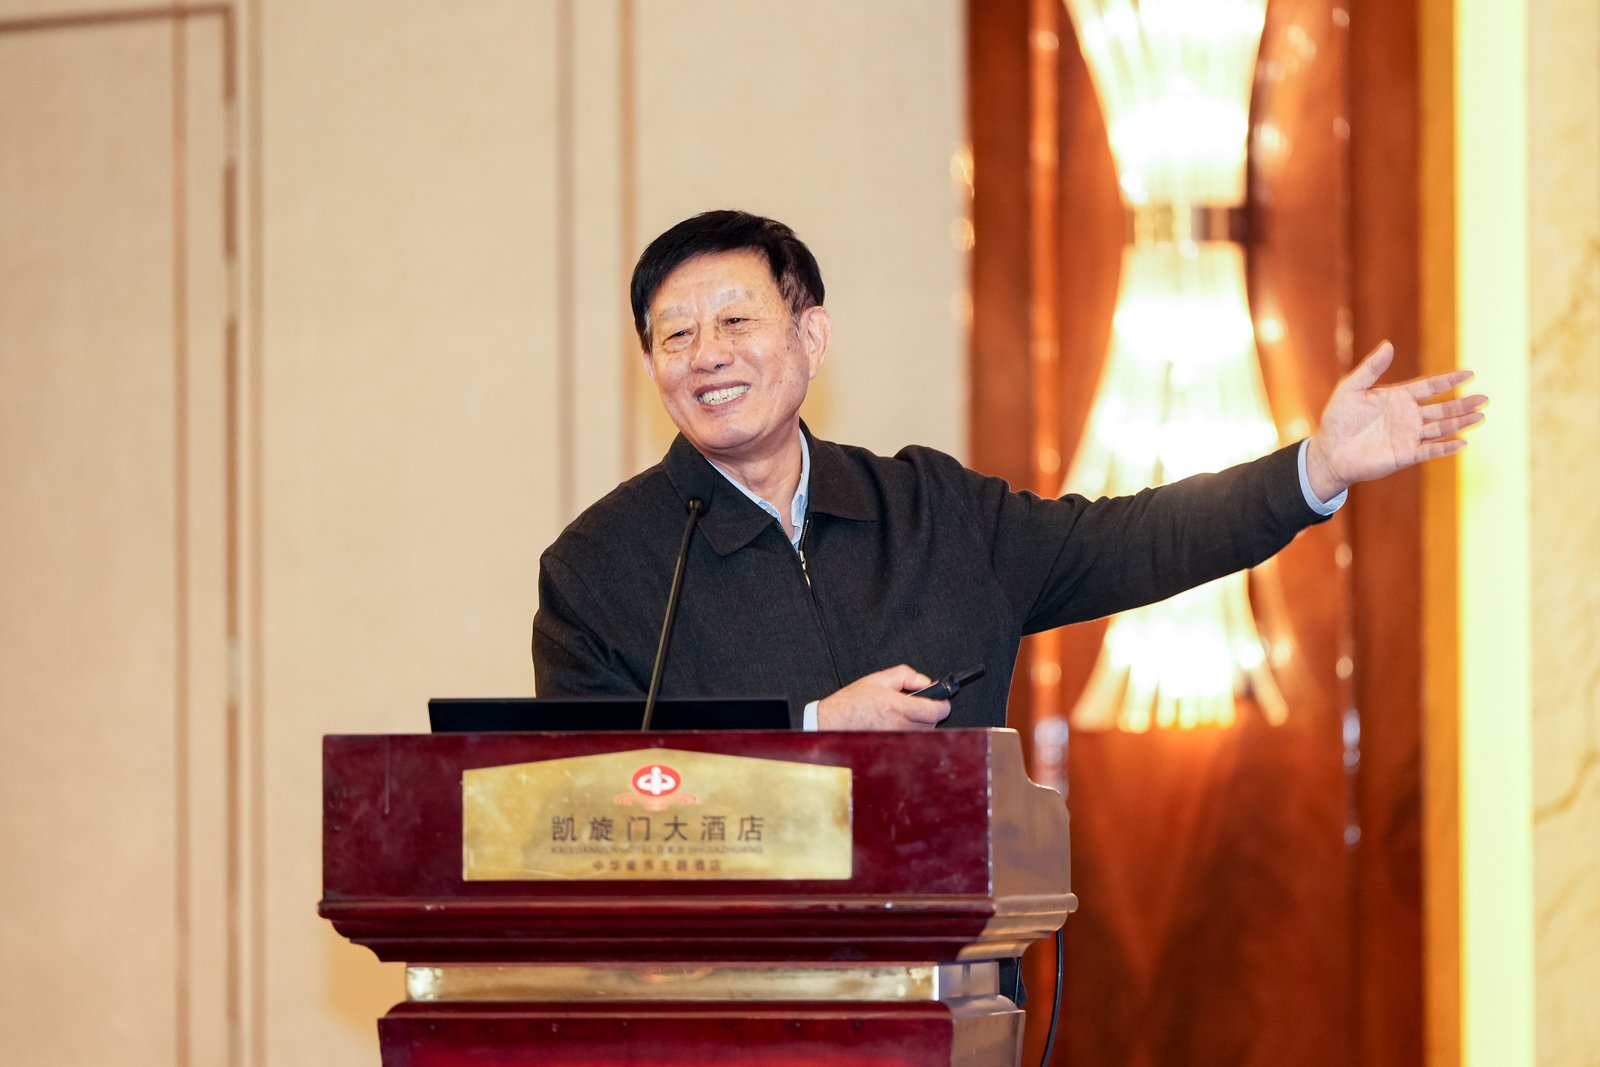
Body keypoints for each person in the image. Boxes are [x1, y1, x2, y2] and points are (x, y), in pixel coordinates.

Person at [532, 210, 1486, 730]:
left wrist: (1313, 467)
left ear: (811, 337)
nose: (708, 355)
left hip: (950, 980)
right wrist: (812, 727)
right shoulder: (601, 569)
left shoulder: (931, 511)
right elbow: (586, 810)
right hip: (725, 999)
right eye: (676, 336)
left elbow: (1135, 539)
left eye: (737, 321)